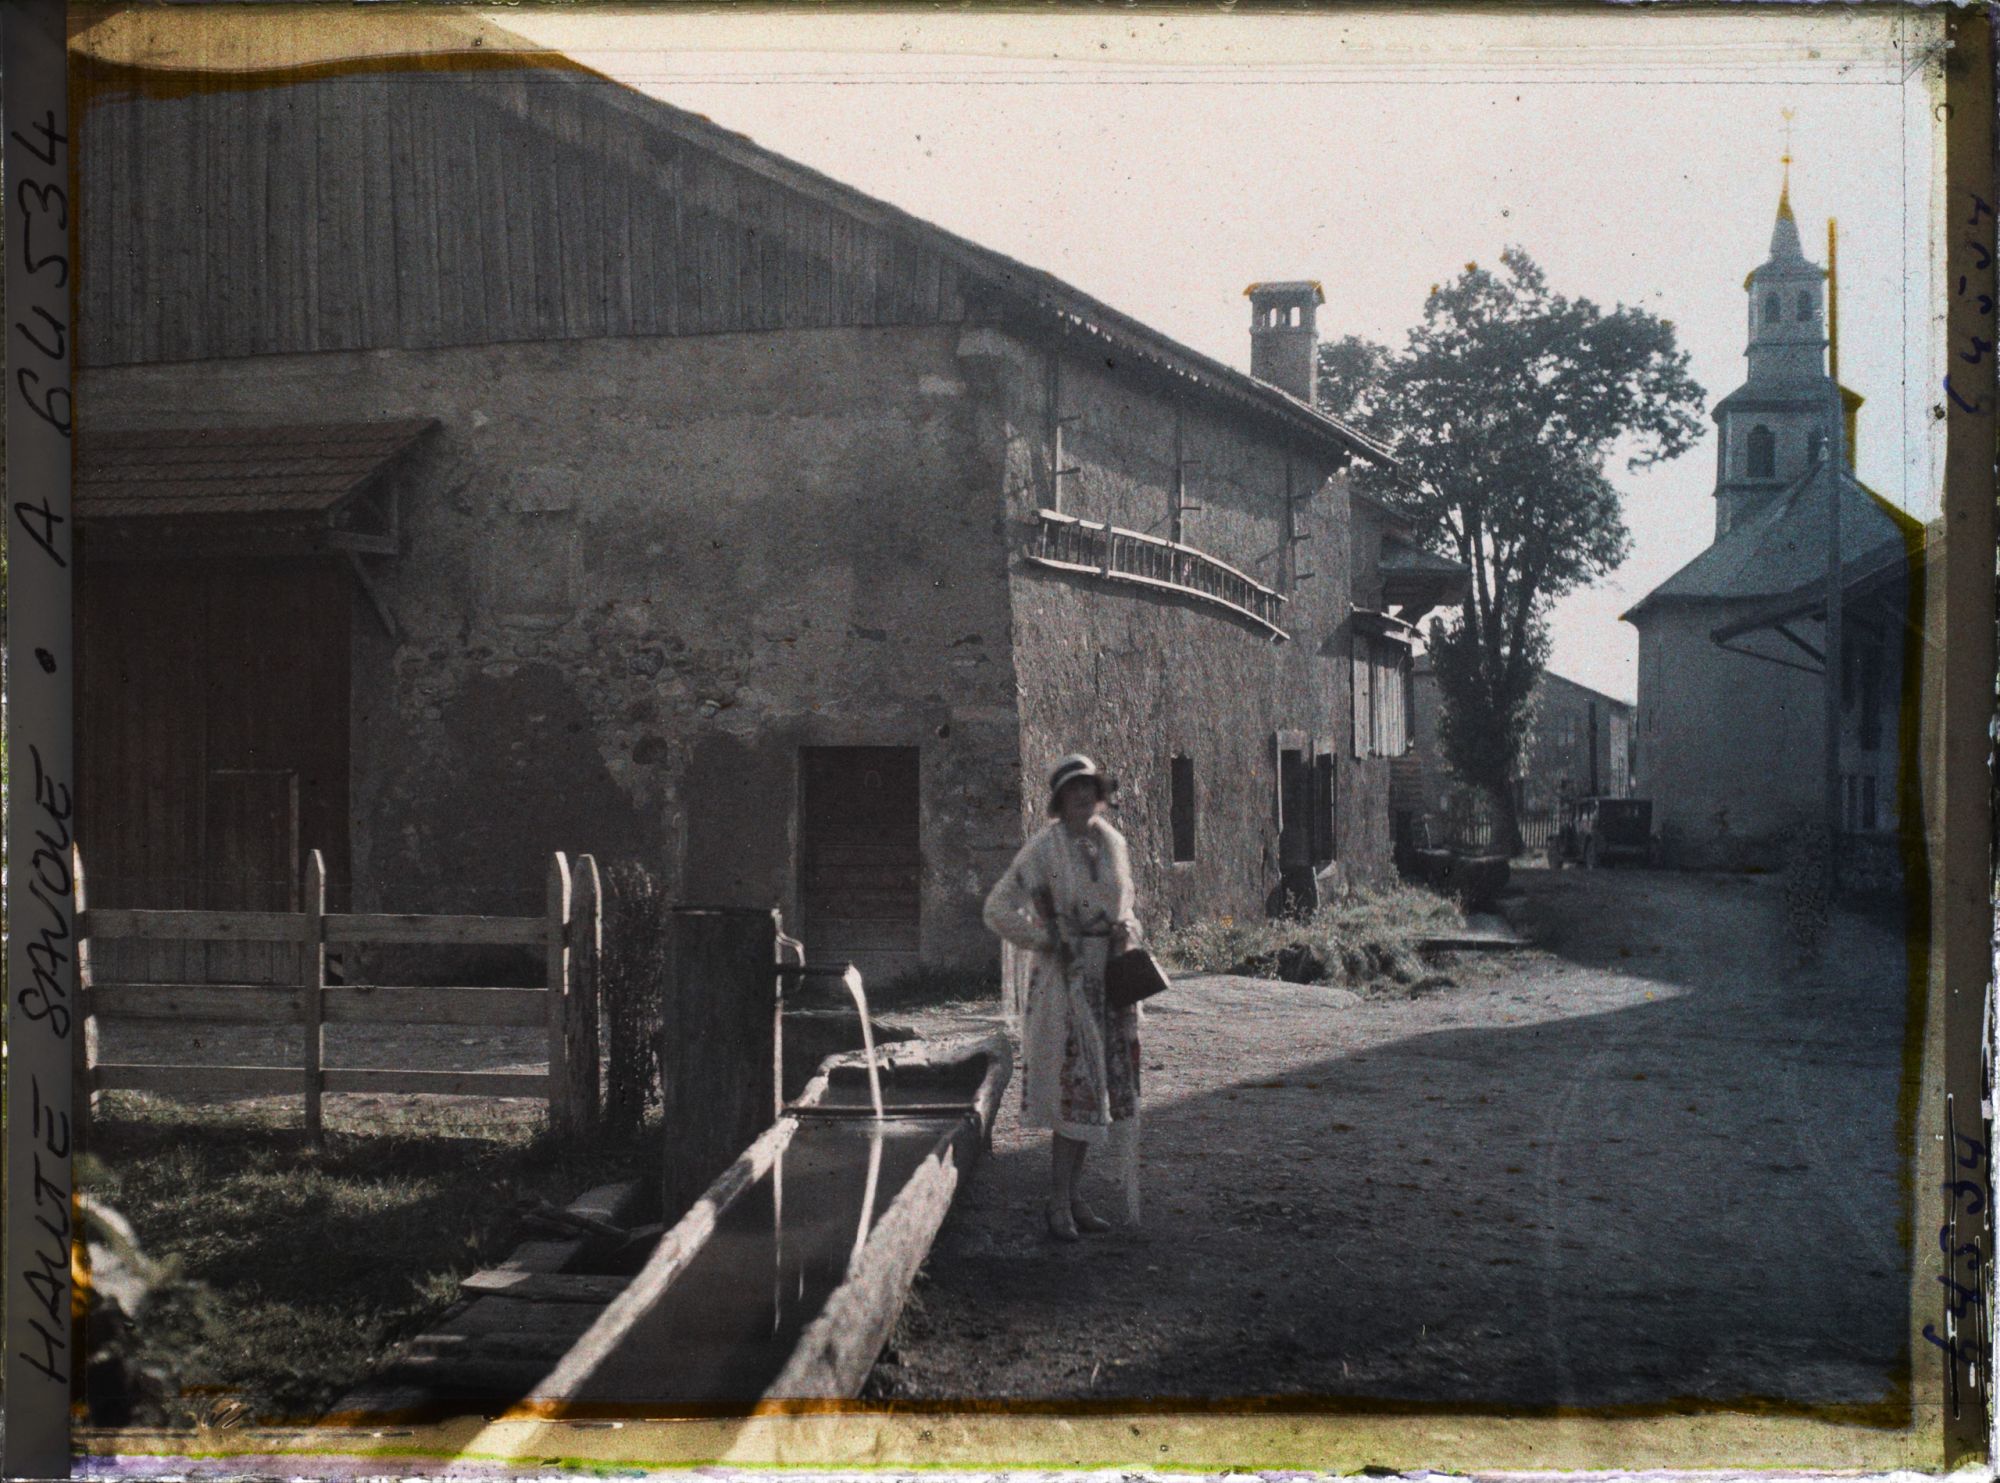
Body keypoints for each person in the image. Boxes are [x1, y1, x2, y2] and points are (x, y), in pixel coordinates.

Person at [982, 753, 1144, 1241]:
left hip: (1111, 984)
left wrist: (1127, 930)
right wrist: (1048, 938)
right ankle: (1056, 1203)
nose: (1083, 796)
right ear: (1059, 799)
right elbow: (997, 909)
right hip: (1067, 985)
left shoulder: (1114, 844)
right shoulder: (1044, 850)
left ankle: (1075, 1196)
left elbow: (1129, 907)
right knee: (1075, 1091)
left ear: (1100, 794)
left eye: (1090, 787)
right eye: (1073, 789)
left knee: (1100, 1096)